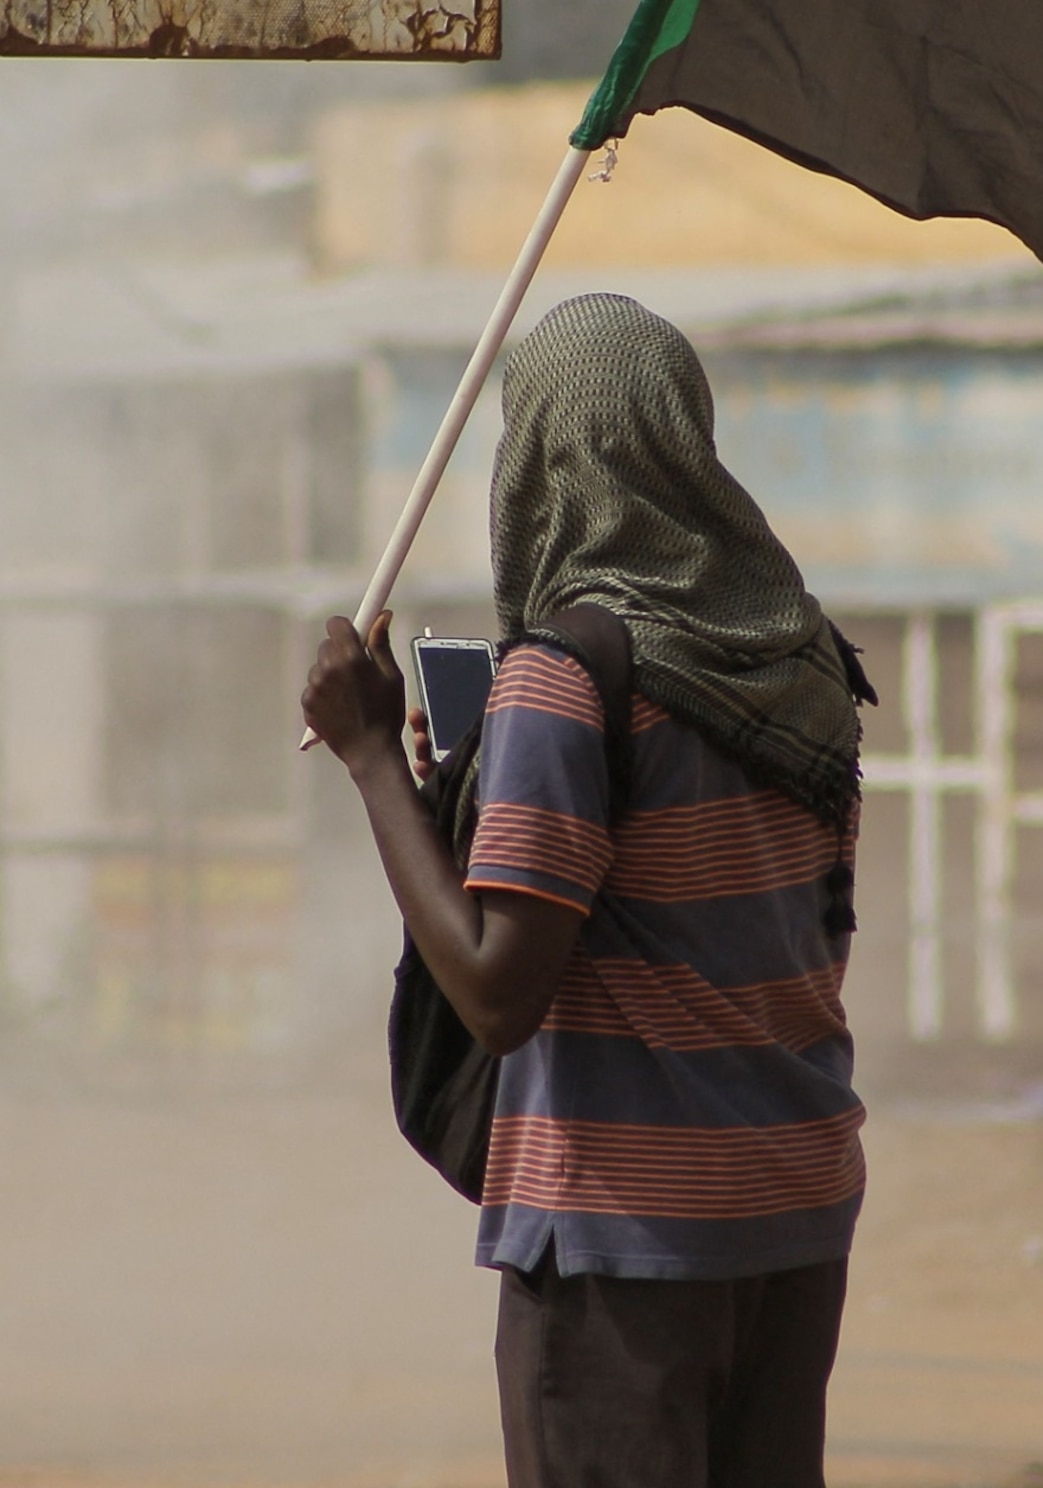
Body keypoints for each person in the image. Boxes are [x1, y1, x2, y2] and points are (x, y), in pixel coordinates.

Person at [302, 293, 870, 1488]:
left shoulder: (565, 674)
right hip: (794, 1202)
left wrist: (366, 759)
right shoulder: (800, 655)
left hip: (628, 1237)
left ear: (537, 458)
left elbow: (500, 991)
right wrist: (463, 792)